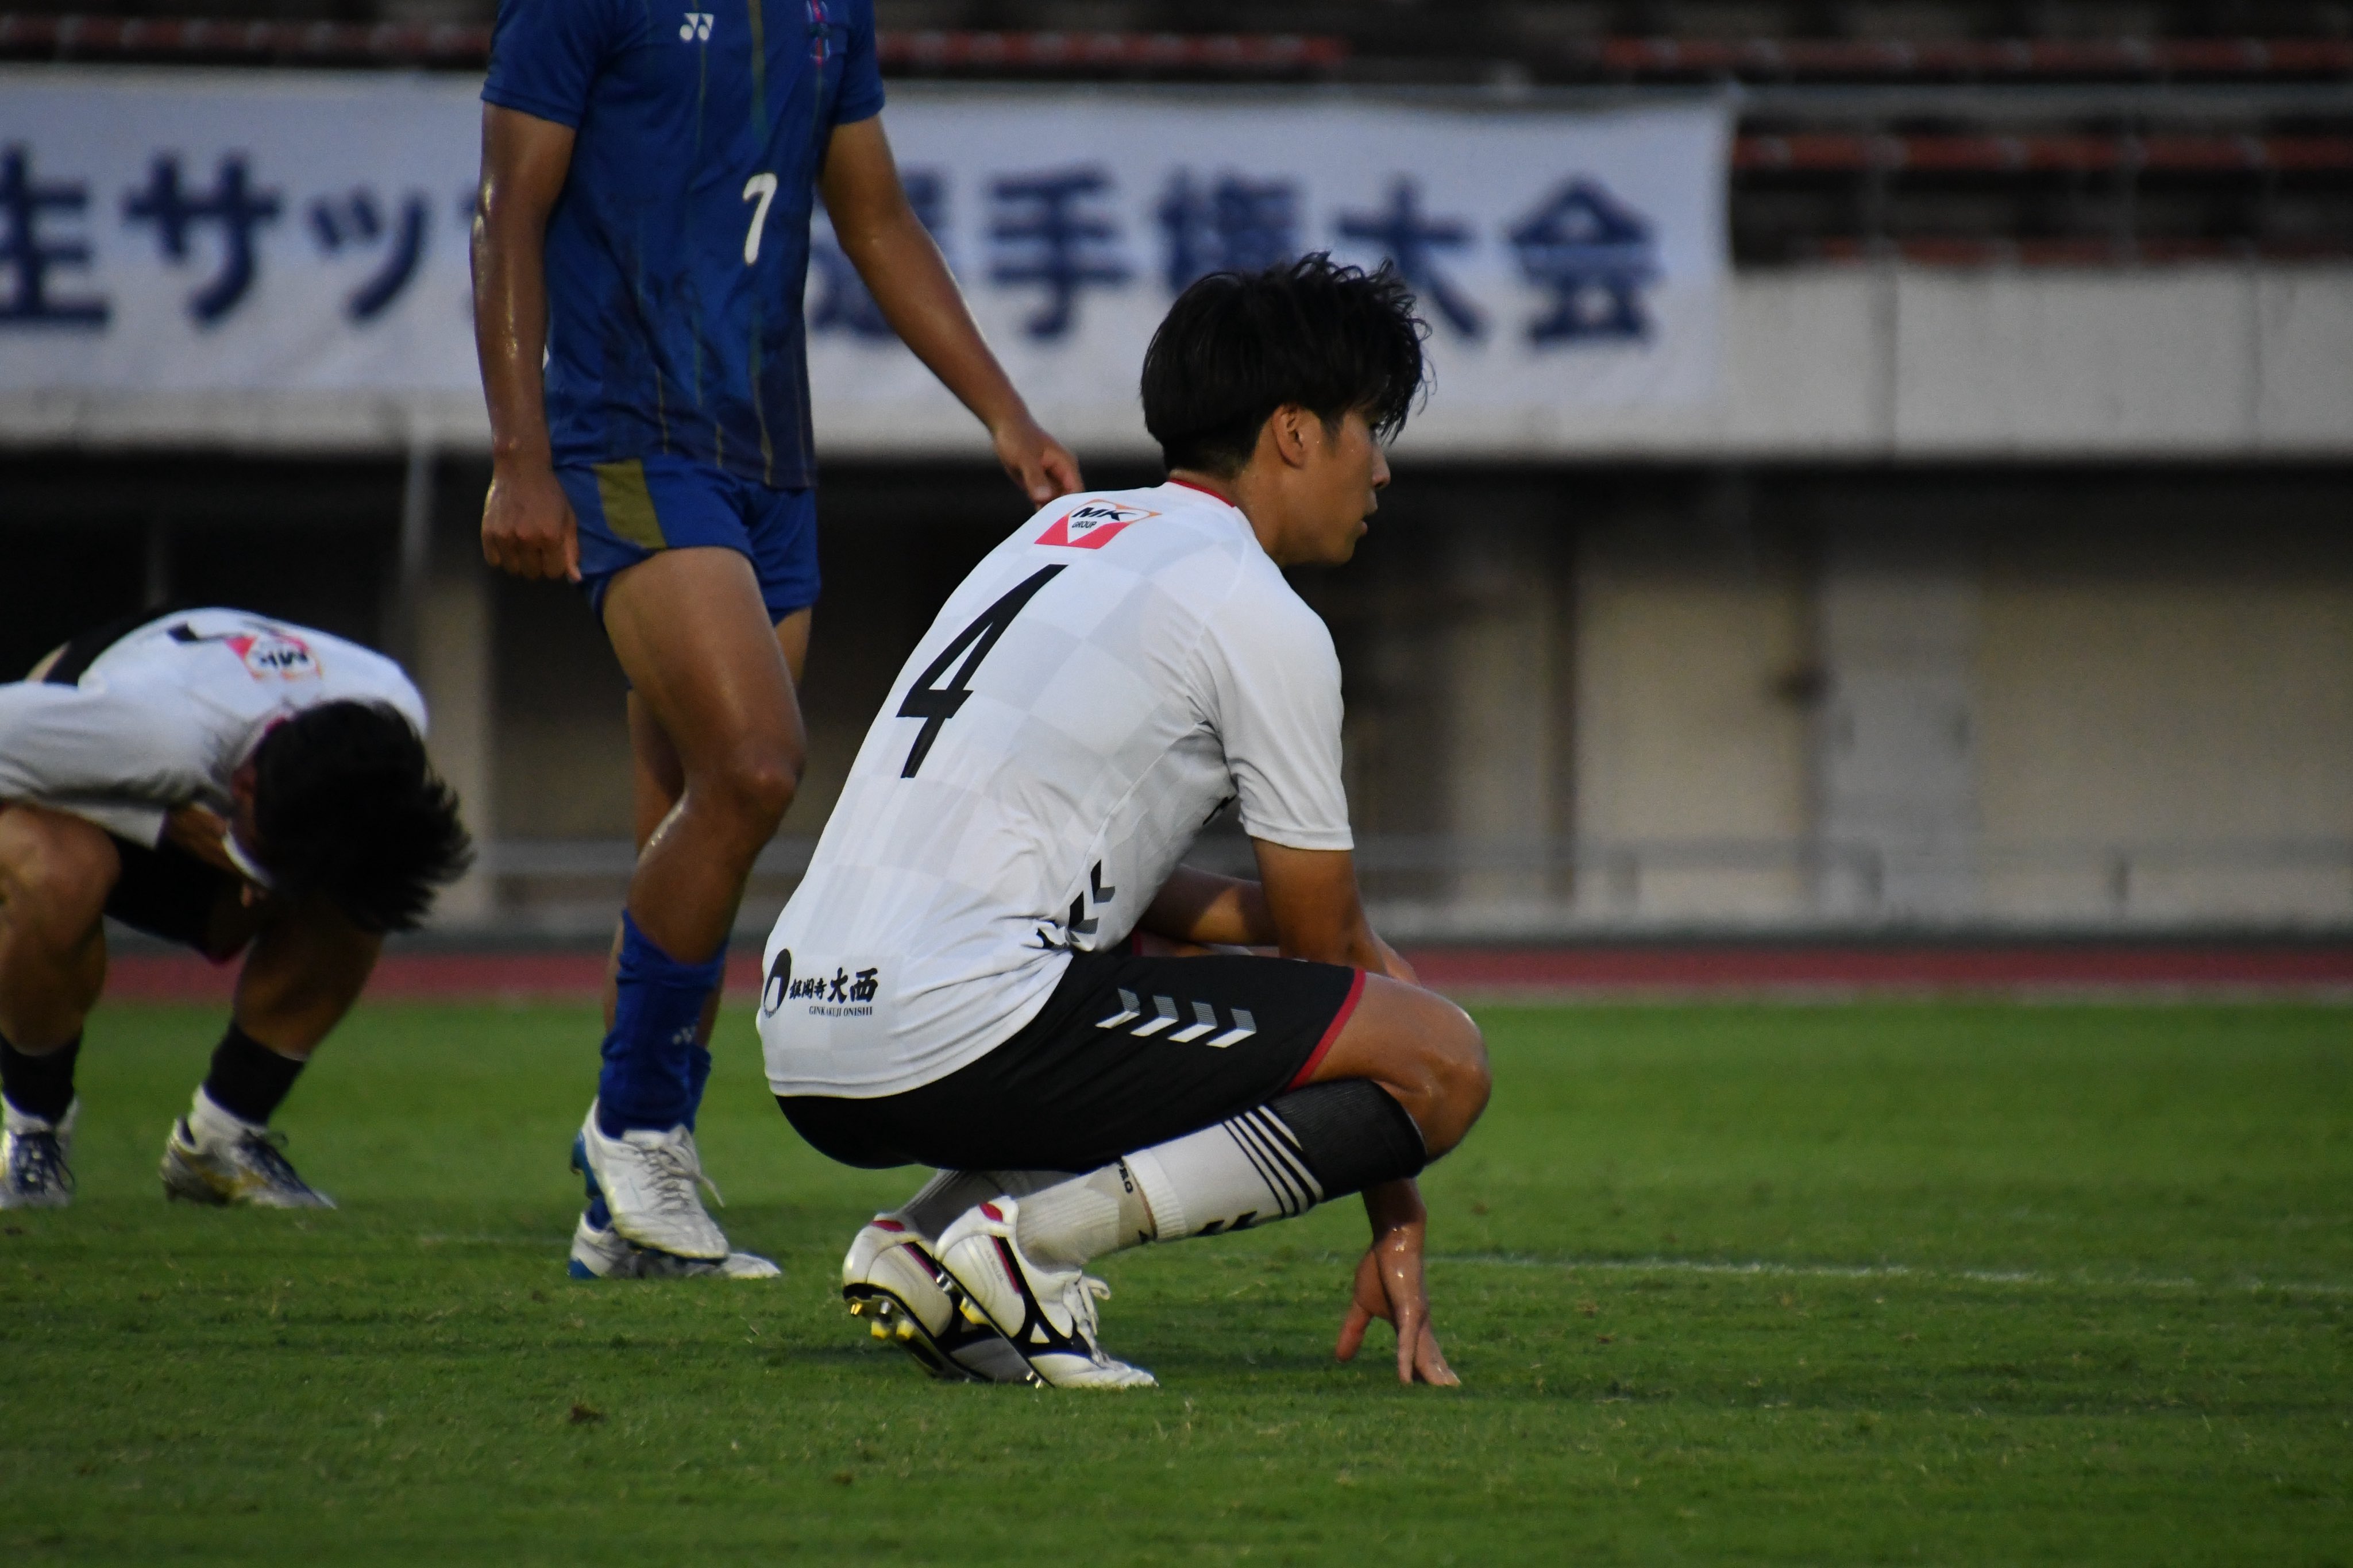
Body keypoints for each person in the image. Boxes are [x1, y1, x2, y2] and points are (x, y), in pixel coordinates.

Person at [758, 255, 1491, 1388]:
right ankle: (1029, 1248)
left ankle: (921, 1240)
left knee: (1137, 961)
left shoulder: (1056, 538)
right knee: (1442, 1058)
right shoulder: (1256, 609)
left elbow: (1100, 864)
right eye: (1366, 428)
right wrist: (1394, 1212)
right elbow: (1324, 959)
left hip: (802, 1025)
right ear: (1293, 434)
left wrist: (1260, 927)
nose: (1380, 467)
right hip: (954, 1027)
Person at [472, 0, 1081, 1281]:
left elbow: (874, 219)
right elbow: (507, 211)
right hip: (625, 436)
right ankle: (633, 1132)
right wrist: (520, 455)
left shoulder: (823, 12)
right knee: (754, 767)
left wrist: (1002, 411)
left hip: (767, 461)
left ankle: (629, 1204)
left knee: (694, 822)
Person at [0, 608, 472, 1210]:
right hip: (77, 775)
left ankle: (223, 1136)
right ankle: (33, 1130)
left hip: (197, 750)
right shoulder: (154, 735)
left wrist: (269, 865)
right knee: (62, 875)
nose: (261, 886)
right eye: (264, 856)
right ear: (242, 785)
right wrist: (158, 820)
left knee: (356, 876)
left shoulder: (390, 705)